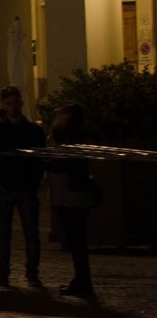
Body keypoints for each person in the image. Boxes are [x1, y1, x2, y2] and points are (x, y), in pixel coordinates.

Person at [0, 85, 46, 290]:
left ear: (21, 103)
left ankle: (32, 274)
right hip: (4, 190)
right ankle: (2, 274)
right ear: (3, 105)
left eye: (16, 102)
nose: (13, 106)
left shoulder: (34, 131)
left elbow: (38, 161)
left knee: (31, 234)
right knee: (3, 234)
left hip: (24, 189)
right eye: (9, 103)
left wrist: (32, 185)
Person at [45, 102, 99, 303]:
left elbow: (63, 164)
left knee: (76, 240)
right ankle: (81, 280)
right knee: (77, 240)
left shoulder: (69, 139)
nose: (57, 118)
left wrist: (47, 161)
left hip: (71, 194)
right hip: (73, 194)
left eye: (60, 115)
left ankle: (83, 282)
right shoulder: (79, 137)